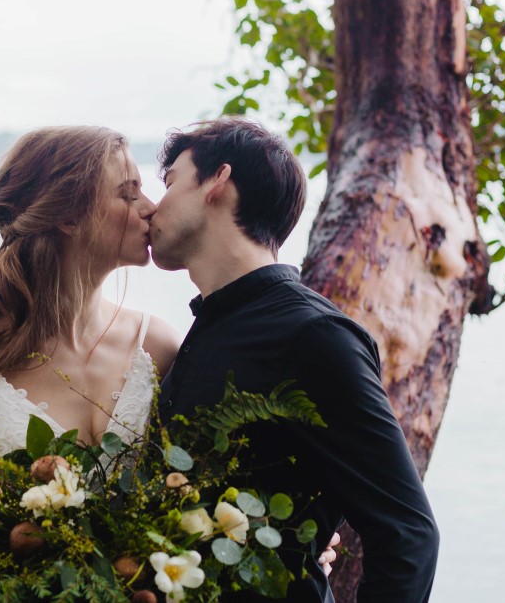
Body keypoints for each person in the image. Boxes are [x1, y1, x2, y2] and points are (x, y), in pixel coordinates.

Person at [0, 124, 341, 572]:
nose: (150, 207)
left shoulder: (159, 348)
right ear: (68, 216)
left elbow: (210, 491)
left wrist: (287, 545)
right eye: (127, 192)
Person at [150, 119, 439, 602]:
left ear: (217, 183)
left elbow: (408, 534)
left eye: (170, 182)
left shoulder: (315, 336)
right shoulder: (212, 324)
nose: (155, 207)